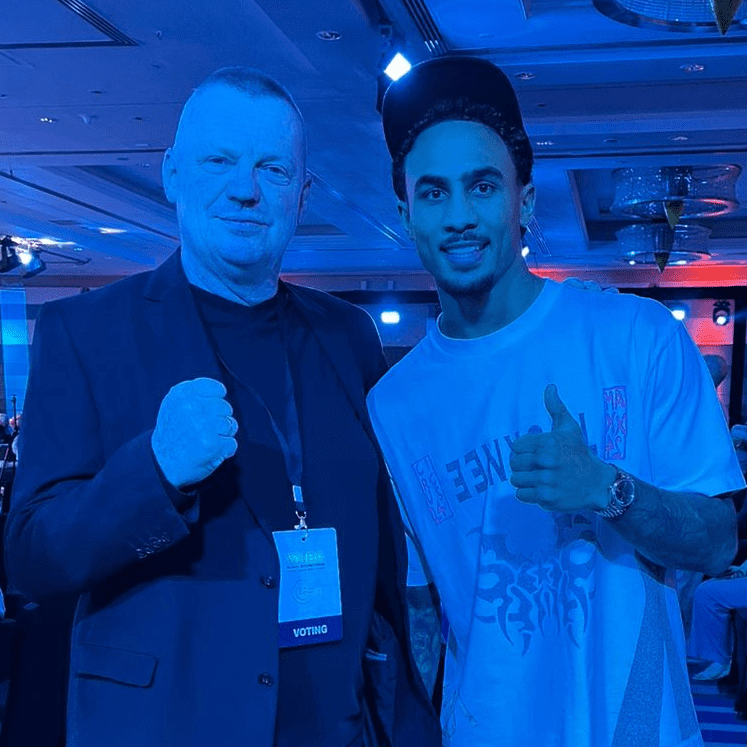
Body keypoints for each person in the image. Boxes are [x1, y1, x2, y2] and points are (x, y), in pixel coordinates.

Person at [3, 67, 440, 747]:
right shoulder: (84, 333)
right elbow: (32, 555)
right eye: (219, 161)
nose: (244, 188)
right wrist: (154, 472)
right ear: (172, 174)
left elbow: (380, 550)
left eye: (272, 168)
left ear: (301, 194)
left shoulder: (347, 335)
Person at [367, 56, 743, 747]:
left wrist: (608, 489)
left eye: (482, 186)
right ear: (405, 216)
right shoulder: (393, 406)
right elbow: (419, 614)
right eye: (433, 193)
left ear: (526, 202)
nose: (459, 216)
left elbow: (719, 540)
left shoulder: (634, 336)